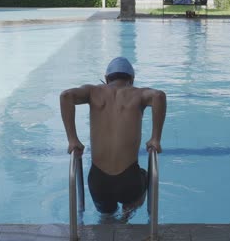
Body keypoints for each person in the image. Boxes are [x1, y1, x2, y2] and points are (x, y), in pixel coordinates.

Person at [60, 57, 167, 216]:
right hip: (129, 182)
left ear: (106, 78)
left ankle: (108, 224)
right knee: (145, 175)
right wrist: (155, 138)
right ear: (131, 79)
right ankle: (128, 212)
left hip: (98, 182)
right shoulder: (137, 94)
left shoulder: (93, 91)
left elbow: (66, 96)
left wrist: (72, 139)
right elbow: (159, 96)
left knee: (106, 216)